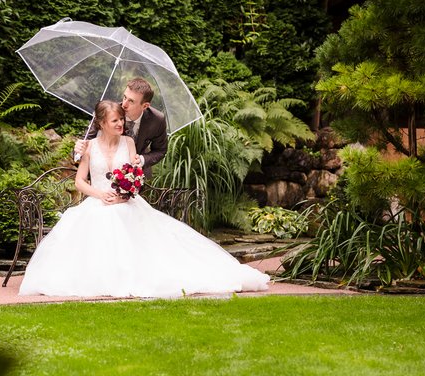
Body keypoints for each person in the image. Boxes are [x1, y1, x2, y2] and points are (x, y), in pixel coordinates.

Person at [19, 100, 269, 298]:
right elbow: (79, 182)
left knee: (135, 226)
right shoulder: (88, 147)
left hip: (127, 203)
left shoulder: (128, 142)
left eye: (122, 119)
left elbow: (135, 176)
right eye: (115, 120)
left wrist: (126, 191)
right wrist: (100, 193)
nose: (121, 124)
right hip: (97, 203)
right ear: (102, 123)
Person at [75, 77, 168, 178]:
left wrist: (142, 160)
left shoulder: (157, 120)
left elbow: (160, 150)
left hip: (135, 178)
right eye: (124, 97)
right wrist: (78, 150)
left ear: (145, 106)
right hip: (103, 173)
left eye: (131, 101)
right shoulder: (108, 112)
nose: (124, 104)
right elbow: (86, 140)